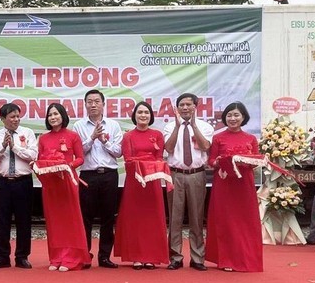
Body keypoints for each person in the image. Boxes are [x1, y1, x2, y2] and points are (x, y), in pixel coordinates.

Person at [206, 102, 263, 272]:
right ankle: (227, 260)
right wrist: (220, 161)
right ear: (225, 118)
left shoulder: (251, 139)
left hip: (244, 185)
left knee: (245, 221)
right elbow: (211, 162)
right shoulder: (218, 138)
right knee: (226, 221)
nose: (233, 118)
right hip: (224, 184)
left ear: (243, 117)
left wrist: (242, 161)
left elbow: (255, 161)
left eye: (236, 115)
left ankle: (246, 258)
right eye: (229, 115)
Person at [114, 101, 171, 269]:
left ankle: (151, 256)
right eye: (140, 112)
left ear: (151, 116)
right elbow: (128, 160)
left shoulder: (158, 135)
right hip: (135, 181)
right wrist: (146, 161)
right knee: (135, 219)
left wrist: (146, 162)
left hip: (152, 181)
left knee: (152, 219)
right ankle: (136, 256)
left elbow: (159, 158)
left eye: (146, 112)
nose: (143, 115)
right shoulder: (128, 136)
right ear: (135, 115)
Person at [35, 103, 91, 271]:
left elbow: (80, 158)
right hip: (51, 185)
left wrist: (68, 165)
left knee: (70, 220)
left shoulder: (73, 136)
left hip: (68, 181)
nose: (53, 117)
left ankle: (71, 258)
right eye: (50, 115)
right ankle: (56, 258)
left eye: (56, 114)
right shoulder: (43, 138)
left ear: (63, 116)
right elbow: (40, 159)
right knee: (54, 221)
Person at [163, 93, 214, 271]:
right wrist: (178, 127)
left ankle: (197, 257)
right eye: (181, 105)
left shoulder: (205, 126)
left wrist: (193, 126)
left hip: (196, 175)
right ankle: (175, 257)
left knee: (197, 217)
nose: (185, 108)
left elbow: (206, 146)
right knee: (175, 217)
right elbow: (168, 148)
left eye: (188, 105)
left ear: (195, 107)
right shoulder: (169, 126)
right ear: (177, 108)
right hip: (175, 174)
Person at [72, 89, 123, 268]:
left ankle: (104, 256)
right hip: (88, 175)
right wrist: (92, 138)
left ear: (103, 104)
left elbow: (119, 152)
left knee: (108, 217)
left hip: (109, 175)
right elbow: (77, 152)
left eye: (96, 101)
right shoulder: (78, 126)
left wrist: (104, 141)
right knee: (85, 217)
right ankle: (85, 255)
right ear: (85, 104)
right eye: (89, 101)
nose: (93, 105)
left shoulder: (113, 125)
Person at [0, 103, 38, 269]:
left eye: (17, 116)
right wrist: (3, 147)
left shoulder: (27, 133)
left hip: (23, 181)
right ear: (3, 119)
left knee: (24, 220)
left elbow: (32, 155)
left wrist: (14, 147)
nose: (16, 119)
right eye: (12, 117)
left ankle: (22, 256)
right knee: (2, 220)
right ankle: (2, 257)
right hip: (4, 182)